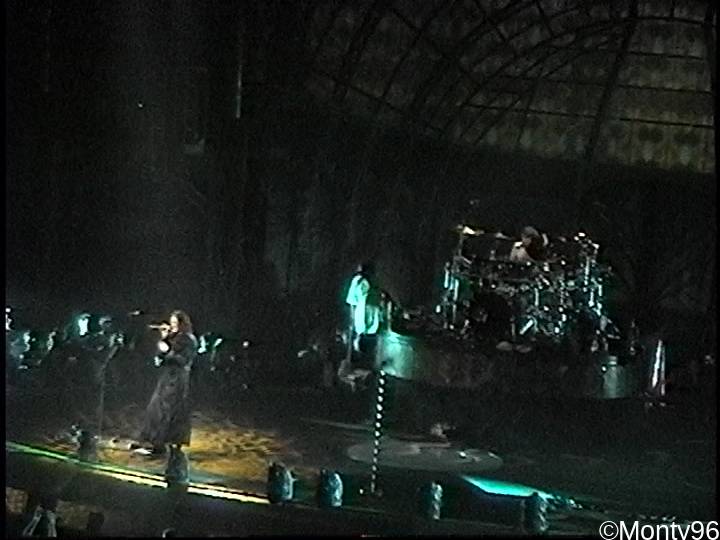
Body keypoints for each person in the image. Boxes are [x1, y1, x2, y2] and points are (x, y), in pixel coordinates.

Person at [133, 310, 197, 456]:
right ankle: (156, 442)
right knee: (158, 408)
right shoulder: (174, 337)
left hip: (178, 379)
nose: (172, 326)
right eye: (171, 322)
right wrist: (164, 339)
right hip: (168, 376)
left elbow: (183, 359)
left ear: (183, 324)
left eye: (175, 323)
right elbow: (160, 357)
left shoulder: (188, 339)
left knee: (170, 410)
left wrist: (167, 350)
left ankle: (169, 443)